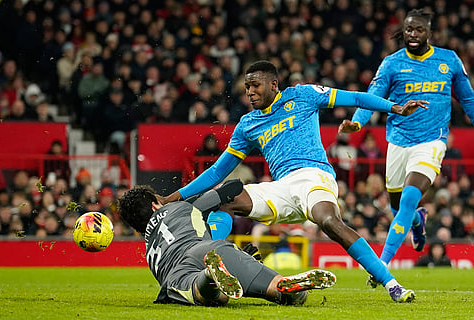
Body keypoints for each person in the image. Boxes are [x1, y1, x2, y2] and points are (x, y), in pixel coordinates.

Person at [159, 60, 428, 302]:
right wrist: (175, 197)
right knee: (223, 201)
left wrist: (395, 107)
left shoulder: (302, 95)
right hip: (280, 189)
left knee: (329, 222)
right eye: (246, 87)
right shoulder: (248, 124)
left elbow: (356, 97)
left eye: (255, 85)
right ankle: (213, 263)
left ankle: (392, 284)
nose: (249, 92)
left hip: (314, 177)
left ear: (274, 84)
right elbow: (218, 171)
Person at [338, 9, 474, 281]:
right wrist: (357, 123)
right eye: (409, 29)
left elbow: (468, 99)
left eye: (419, 30)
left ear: (430, 33)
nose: (413, 34)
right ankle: (417, 222)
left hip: (432, 142)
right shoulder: (391, 63)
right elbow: (372, 96)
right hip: (398, 143)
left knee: (411, 197)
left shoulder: (448, 61)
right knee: (397, 207)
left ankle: (382, 266)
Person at [118, 181, 337, 306]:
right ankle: (285, 287)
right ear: (156, 204)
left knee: (203, 293)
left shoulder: (149, 250)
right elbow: (231, 188)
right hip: (209, 248)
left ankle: (209, 277)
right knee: (284, 293)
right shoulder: (180, 207)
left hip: (176, 270)